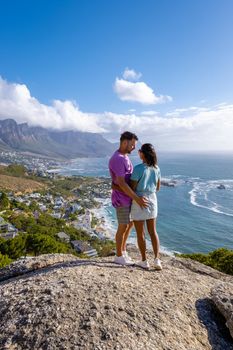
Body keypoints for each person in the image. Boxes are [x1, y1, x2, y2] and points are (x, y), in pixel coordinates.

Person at [108, 131, 148, 266]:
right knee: (122, 226)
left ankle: (123, 250)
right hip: (122, 199)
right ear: (125, 142)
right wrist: (137, 198)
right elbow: (121, 182)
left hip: (128, 198)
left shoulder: (124, 157)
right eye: (132, 144)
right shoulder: (118, 158)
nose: (134, 148)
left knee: (129, 225)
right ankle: (118, 256)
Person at [130, 143, 162, 270]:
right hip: (152, 199)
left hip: (139, 200)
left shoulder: (138, 169)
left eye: (139, 151)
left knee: (140, 233)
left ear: (142, 153)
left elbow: (132, 188)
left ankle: (144, 261)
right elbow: (158, 187)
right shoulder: (157, 168)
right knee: (153, 232)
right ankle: (157, 260)